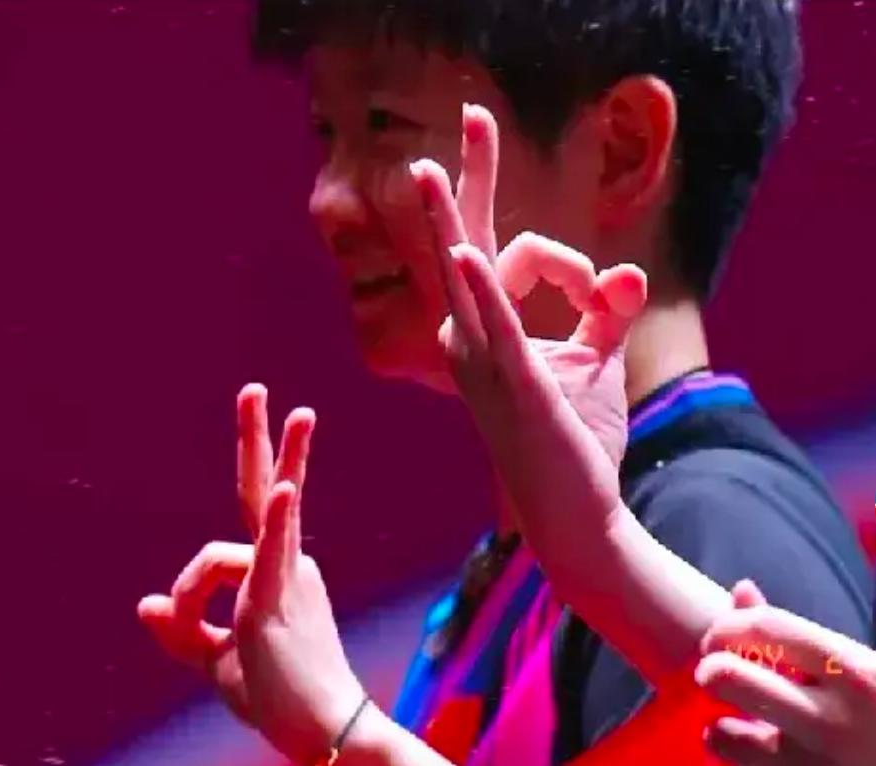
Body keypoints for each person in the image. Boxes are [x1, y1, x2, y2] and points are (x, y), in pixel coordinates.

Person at [235, 1, 873, 762]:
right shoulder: (530, 568)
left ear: (621, 150)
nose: (327, 202)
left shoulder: (718, 531)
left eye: (383, 125)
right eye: (325, 132)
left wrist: (345, 735)